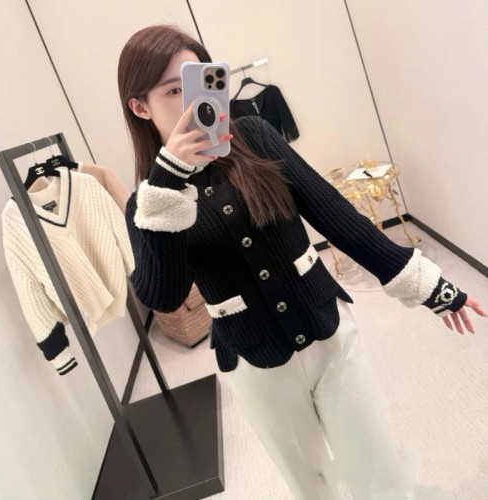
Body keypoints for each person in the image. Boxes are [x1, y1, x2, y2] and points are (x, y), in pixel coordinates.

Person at [117, 25, 486, 500]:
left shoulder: (255, 136)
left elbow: (335, 216)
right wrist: (169, 181)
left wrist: (428, 285)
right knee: (310, 483)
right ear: (140, 107)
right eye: (173, 91)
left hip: (329, 331)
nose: (194, 104)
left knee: (376, 463)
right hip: (254, 362)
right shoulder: (147, 204)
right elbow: (163, 295)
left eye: (199, 83)